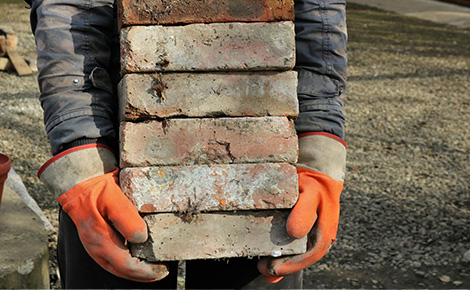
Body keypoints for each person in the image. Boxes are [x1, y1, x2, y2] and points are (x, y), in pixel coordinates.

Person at [28, 0, 347, 288]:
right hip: (110, 131)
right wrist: (83, 153)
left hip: (266, 140)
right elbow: (69, 10)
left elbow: (317, 9)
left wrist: (319, 145)